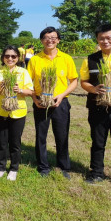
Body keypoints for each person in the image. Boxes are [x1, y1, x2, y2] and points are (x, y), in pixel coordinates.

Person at [80, 24, 111, 192]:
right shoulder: (91, 59)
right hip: (98, 108)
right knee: (98, 142)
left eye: (109, 37)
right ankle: (97, 173)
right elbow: (84, 81)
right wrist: (93, 89)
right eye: (101, 38)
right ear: (97, 39)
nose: (105, 41)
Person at [27, 27, 78, 179]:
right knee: (41, 135)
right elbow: (27, 83)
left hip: (60, 103)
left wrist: (62, 96)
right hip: (41, 102)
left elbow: (74, 81)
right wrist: (35, 99)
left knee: (62, 135)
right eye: (46, 38)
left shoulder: (66, 58)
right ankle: (43, 166)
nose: (50, 40)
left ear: (58, 40)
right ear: (42, 40)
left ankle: (63, 166)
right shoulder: (35, 59)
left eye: (53, 37)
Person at [0, 46, 33, 181]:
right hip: (0, 111)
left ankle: (14, 168)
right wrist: (1, 88)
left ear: (18, 58)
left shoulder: (23, 72)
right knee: (1, 141)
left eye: (13, 56)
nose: (10, 58)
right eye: (7, 56)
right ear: (3, 57)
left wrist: (19, 90)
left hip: (18, 111)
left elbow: (30, 91)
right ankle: (1, 167)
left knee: (15, 141)